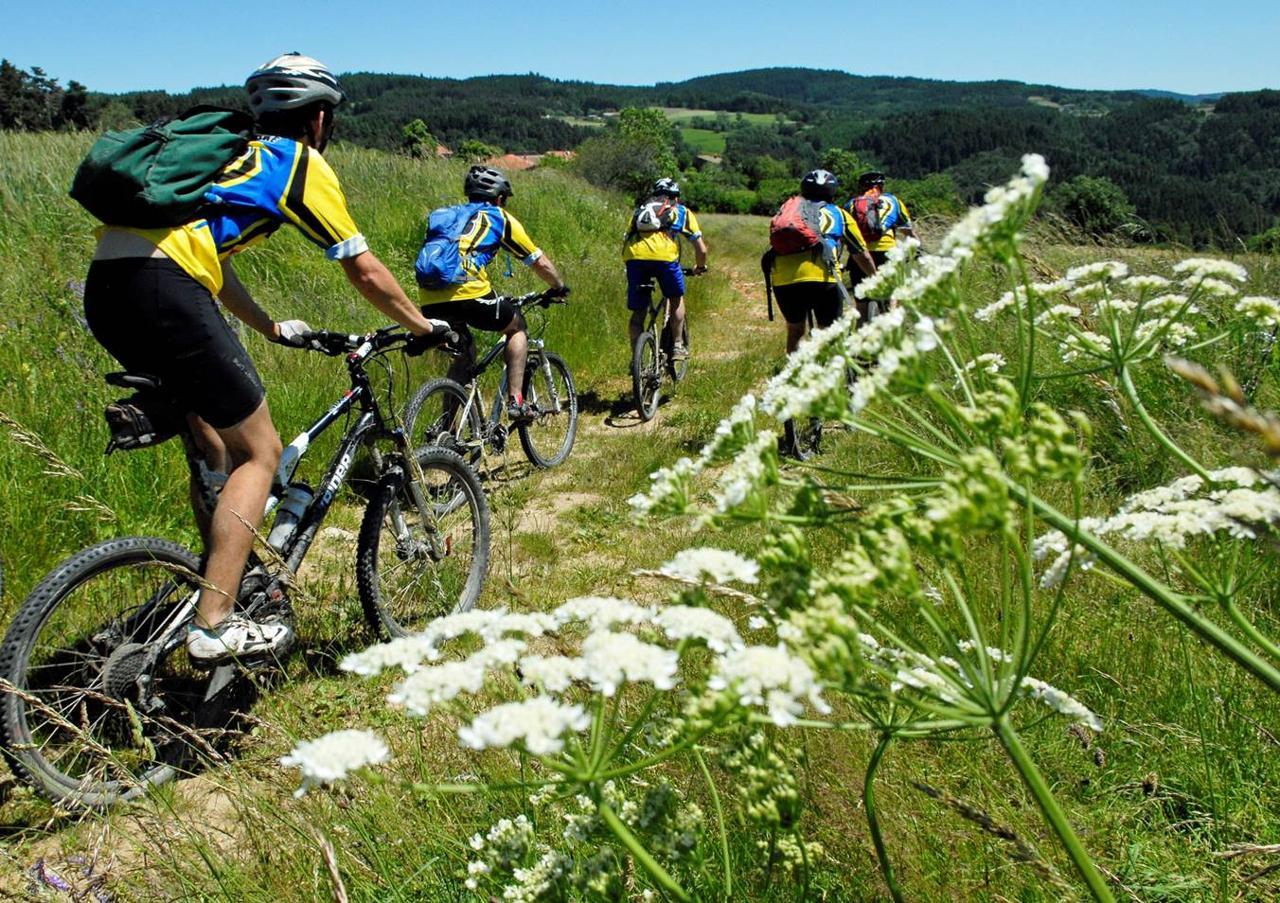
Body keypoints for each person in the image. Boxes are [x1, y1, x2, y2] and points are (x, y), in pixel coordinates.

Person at [82, 53, 440, 665]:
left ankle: (221, 577)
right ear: (321, 118)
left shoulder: (229, 156)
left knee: (217, 448)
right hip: (167, 287)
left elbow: (209, 262)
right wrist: (420, 323)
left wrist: (272, 328)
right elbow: (361, 265)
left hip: (109, 287)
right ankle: (215, 623)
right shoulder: (298, 160)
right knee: (261, 451)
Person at [417, 166, 569, 421]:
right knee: (516, 327)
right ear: (499, 198)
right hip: (469, 294)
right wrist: (558, 286)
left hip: (430, 298)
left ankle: (447, 432)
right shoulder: (498, 216)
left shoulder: (448, 216)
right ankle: (517, 402)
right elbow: (538, 261)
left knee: (464, 356)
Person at [766, 169, 875, 355]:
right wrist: (876, 276)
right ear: (832, 192)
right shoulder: (839, 214)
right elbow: (861, 254)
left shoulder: (789, 211)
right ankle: (829, 375)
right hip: (824, 279)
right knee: (828, 332)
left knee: (795, 330)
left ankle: (797, 375)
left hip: (784, 280)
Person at [621, 178, 708, 359]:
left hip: (634, 259)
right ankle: (677, 345)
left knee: (638, 313)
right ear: (676, 197)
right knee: (675, 298)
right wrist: (700, 266)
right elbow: (701, 248)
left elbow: (627, 238)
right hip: (665, 259)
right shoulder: (681, 211)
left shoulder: (640, 211)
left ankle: (635, 360)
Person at [846, 170, 916, 325]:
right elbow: (907, 230)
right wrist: (916, 245)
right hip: (887, 252)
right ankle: (891, 325)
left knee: (862, 308)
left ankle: (861, 341)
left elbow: (846, 233)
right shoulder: (893, 201)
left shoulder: (851, 204)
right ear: (881, 186)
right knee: (894, 294)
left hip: (861, 255)